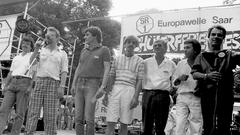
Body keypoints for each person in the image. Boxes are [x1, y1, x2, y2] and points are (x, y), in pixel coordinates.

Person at [191, 25, 240, 135]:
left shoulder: (230, 54)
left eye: (219, 35)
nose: (216, 37)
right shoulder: (201, 56)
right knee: (208, 125)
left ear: (223, 38)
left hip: (226, 96)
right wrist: (207, 76)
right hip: (207, 95)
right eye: (213, 34)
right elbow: (194, 74)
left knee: (225, 125)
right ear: (208, 36)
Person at [25, 27, 68, 135]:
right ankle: (29, 132)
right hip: (39, 81)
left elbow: (64, 71)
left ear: (58, 38)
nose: (48, 37)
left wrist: (62, 87)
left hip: (54, 83)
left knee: (50, 114)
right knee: (33, 111)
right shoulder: (41, 50)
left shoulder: (62, 53)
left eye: (52, 35)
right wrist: (35, 49)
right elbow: (31, 62)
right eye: (47, 35)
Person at [71, 26, 111, 135]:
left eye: (87, 35)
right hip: (79, 84)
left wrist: (103, 87)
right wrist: (73, 84)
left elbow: (107, 68)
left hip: (93, 85)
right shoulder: (84, 50)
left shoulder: (104, 50)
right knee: (78, 118)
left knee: (89, 118)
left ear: (95, 36)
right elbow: (79, 68)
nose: (85, 37)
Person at [100, 35, 144, 135]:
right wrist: (106, 94)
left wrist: (136, 98)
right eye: (129, 42)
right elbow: (111, 77)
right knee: (110, 121)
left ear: (136, 45)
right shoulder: (117, 59)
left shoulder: (140, 61)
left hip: (130, 90)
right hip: (115, 89)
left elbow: (139, 81)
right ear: (124, 44)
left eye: (133, 43)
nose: (131, 44)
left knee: (124, 123)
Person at [0, 36, 35, 135]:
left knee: (20, 113)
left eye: (28, 44)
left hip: (25, 82)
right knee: (3, 110)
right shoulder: (16, 57)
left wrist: (30, 87)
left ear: (31, 46)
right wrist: (5, 85)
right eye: (24, 43)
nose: (25, 45)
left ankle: (15, 133)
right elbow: (11, 72)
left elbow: (35, 73)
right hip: (12, 83)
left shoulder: (33, 56)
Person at [142, 39, 176, 135]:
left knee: (161, 126)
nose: (157, 47)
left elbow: (174, 82)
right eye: (155, 45)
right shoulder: (145, 62)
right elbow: (139, 78)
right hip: (148, 94)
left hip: (163, 95)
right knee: (146, 126)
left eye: (159, 45)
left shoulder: (171, 64)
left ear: (165, 48)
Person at [172, 39, 203, 135]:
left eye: (188, 48)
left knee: (196, 124)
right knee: (180, 123)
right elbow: (174, 83)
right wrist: (179, 79)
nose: (185, 50)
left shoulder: (202, 62)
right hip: (182, 96)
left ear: (195, 50)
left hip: (196, 96)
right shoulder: (181, 63)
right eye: (184, 48)